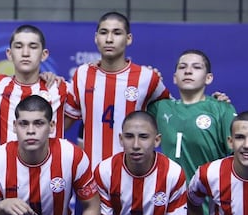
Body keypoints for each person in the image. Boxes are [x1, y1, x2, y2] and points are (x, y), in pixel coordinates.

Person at [148, 49, 236, 215]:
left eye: (196, 67)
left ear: (208, 78)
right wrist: (149, 81)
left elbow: (235, 161)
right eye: (182, 66)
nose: (188, 70)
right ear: (174, 77)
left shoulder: (221, 110)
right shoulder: (158, 108)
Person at [66, 11, 171, 170]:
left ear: (128, 39)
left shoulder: (147, 77)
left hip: (135, 174)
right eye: (103, 33)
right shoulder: (82, 74)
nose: (109, 39)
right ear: (96, 38)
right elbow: (62, 123)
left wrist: (217, 104)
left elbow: (173, 116)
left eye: (117, 33)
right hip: (92, 177)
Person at [0, 24, 75, 153]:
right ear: (9, 54)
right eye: (19, 47)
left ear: (44, 54)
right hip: (2, 171)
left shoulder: (58, 87)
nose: (25, 53)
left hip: (47, 171)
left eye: (33, 47)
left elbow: (81, 111)